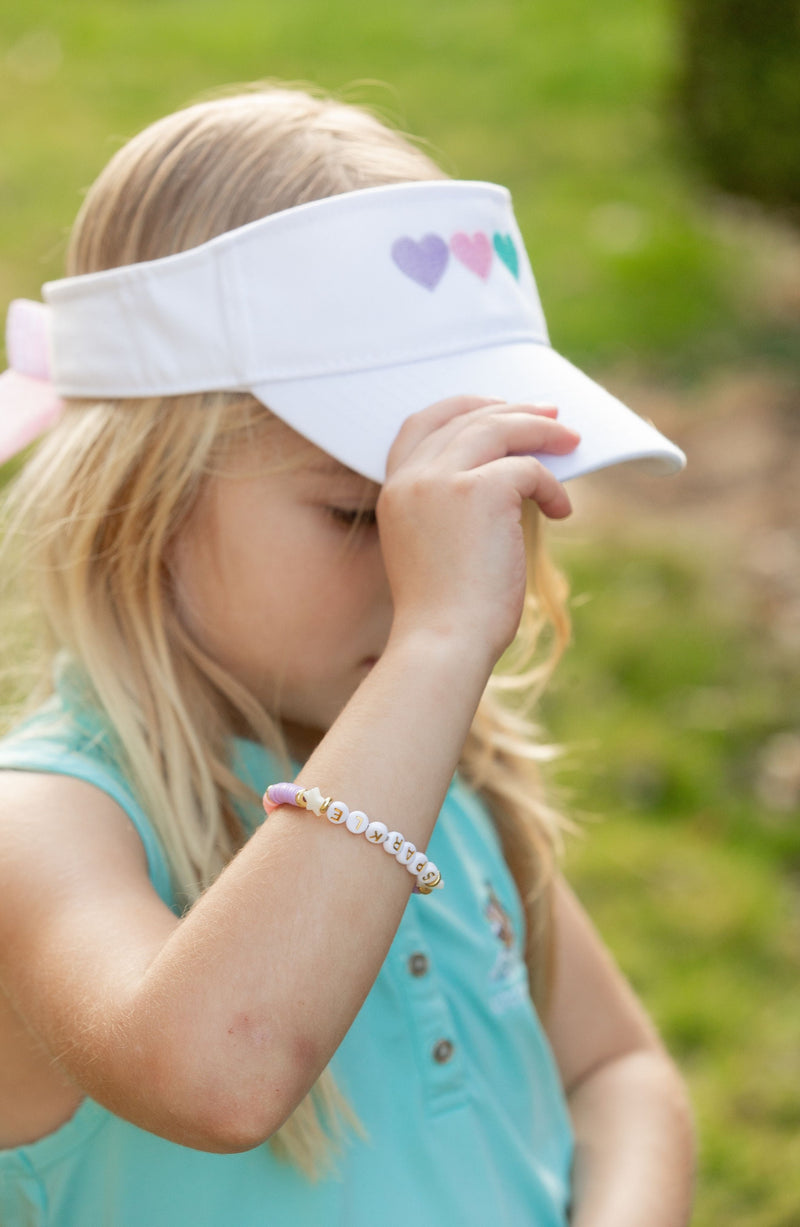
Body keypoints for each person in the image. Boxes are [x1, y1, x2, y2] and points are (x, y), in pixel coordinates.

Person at [0, 84, 695, 1226]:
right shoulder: (45, 828)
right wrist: (431, 649)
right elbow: (220, 1077)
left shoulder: (448, 780)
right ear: (143, 501)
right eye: (363, 515)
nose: (441, 574)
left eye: (464, 510)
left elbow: (615, 1076)